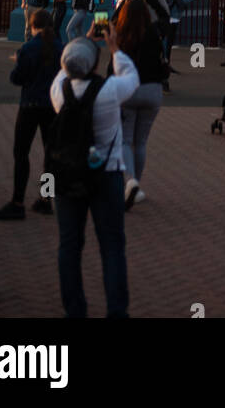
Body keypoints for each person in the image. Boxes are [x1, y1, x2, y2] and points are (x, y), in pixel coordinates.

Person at [49, 26, 139, 318]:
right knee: (112, 247)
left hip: (67, 174)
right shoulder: (109, 91)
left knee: (69, 245)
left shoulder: (59, 92)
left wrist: (84, 40)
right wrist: (114, 48)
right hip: (106, 173)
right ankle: (117, 311)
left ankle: (74, 310)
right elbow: (132, 79)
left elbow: (64, 69)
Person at [0, 8, 62, 220]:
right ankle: (46, 199)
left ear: (33, 26)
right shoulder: (60, 47)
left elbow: (17, 78)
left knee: (21, 153)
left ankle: (17, 201)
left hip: (30, 105)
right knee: (50, 154)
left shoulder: (28, 48)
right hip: (52, 106)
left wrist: (18, 63)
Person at [111, 0, 166, 209]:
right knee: (140, 142)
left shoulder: (121, 35)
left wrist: (123, 2)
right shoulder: (154, 33)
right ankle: (136, 186)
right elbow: (165, 16)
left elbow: (112, 66)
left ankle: (130, 181)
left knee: (124, 140)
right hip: (152, 90)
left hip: (128, 90)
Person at [163, 0, 205, 72]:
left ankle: (167, 63)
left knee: (169, 43)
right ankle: (165, 64)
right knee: (168, 44)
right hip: (172, 18)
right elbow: (182, 1)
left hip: (173, 17)